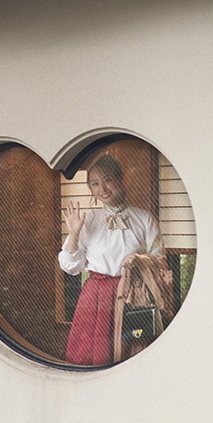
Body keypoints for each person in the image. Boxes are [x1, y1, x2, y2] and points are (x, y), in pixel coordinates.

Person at [59, 155, 163, 365]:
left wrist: (137, 262)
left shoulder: (145, 219)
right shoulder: (88, 220)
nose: (102, 189)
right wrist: (74, 233)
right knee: (95, 358)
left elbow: (159, 262)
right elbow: (70, 266)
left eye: (107, 180)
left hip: (133, 295)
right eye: (95, 184)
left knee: (132, 355)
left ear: (121, 181)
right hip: (96, 296)